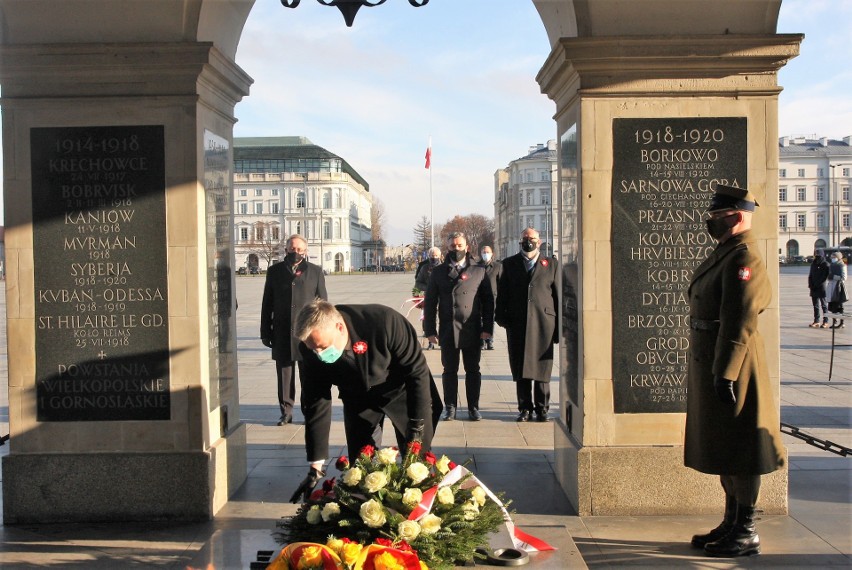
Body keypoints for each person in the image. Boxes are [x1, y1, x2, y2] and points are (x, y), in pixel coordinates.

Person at [684, 184, 785, 558]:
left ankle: (746, 529)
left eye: (716, 217)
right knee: (723, 445)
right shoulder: (726, 252)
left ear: (737, 215)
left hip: (736, 367)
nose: (711, 222)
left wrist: (725, 372)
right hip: (713, 361)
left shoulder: (745, 258)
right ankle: (730, 521)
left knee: (741, 448)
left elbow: (738, 320)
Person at [289, 299, 443, 503]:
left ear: (339, 327)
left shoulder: (385, 323)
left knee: (417, 464)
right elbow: (316, 403)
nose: (318, 354)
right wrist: (315, 467)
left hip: (402, 391)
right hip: (357, 397)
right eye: (313, 349)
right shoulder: (310, 349)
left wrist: (417, 426)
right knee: (361, 469)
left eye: (323, 347)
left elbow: (417, 375)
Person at [423, 232, 494, 421]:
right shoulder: (438, 272)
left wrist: (487, 328)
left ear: (467, 247)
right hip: (448, 328)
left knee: (473, 370)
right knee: (449, 371)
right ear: (448, 248)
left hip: (472, 329)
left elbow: (488, 301)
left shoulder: (479, 270)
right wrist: (429, 330)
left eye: (460, 246)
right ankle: (450, 407)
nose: (456, 249)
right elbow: (430, 302)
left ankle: (473, 407)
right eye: (453, 246)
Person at [260, 234, 327, 426]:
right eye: (291, 248)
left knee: (308, 375)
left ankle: (308, 411)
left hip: (307, 334)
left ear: (305, 251)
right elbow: (267, 303)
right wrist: (265, 331)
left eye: (299, 249)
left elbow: (322, 304)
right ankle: (286, 411)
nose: (295, 252)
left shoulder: (315, 272)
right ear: (286, 249)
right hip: (282, 332)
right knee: (284, 374)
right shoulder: (274, 271)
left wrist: (322, 332)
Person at [495, 227, 559, 422]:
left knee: (542, 367)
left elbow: (557, 295)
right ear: (520, 241)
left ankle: (542, 408)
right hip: (518, 323)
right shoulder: (509, 264)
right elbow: (502, 294)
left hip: (543, 323)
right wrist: (502, 318)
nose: (528, 241)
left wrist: (558, 328)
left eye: (532, 238)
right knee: (521, 366)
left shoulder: (551, 264)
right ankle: (524, 408)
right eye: (525, 238)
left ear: (539, 242)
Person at [414, 247, 443, 349]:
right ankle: (430, 341)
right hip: (429, 296)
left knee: (443, 318)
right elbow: (418, 283)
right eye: (432, 255)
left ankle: (442, 340)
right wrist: (428, 288)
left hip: (443, 297)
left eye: (435, 255)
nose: (434, 257)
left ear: (440, 256)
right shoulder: (424, 268)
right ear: (428, 256)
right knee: (429, 318)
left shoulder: (444, 267)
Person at [477, 245, 502, 350]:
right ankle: (481, 340)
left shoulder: (497, 266)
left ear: (492, 254)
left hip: (492, 297)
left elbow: (501, 283)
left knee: (490, 319)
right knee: (480, 319)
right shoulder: (476, 266)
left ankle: (490, 340)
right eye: (483, 252)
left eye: (487, 252)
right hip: (478, 298)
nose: (485, 254)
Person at [807, 249, 831, 328]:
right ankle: (816, 321)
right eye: (816, 255)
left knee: (824, 305)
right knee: (815, 305)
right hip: (813, 287)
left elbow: (825, 277)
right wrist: (810, 285)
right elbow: (810, 275)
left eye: (818, 255)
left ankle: (825, 321)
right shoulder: (813, 264)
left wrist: (818, 284)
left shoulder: (826, 264)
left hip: (821, 287)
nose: (817, 257)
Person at [826, 251, 847, 329]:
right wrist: (829, 277)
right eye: (831, 257)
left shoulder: (842, 265)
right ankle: (834, 321)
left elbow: (844, 278)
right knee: (832, 305)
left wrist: (834, 276)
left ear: (838, 258)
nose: (832, 259)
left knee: (839, 305)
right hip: (831, 286)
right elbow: (829, 275)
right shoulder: (831, 265)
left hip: (838, 287)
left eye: (834, 257)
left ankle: (842, 322)